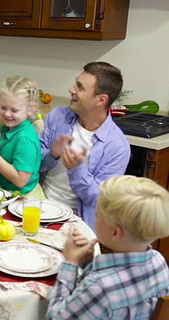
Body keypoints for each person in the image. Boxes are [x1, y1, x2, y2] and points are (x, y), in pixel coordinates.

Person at [44, 175, 169, 320]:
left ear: (115, 232)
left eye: (97, 214)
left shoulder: (101, 287)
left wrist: (70, 264)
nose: (95, 217)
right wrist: (87, 264)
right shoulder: (159, 262)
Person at [39, 61, 130, 230]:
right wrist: (52, 154)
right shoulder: (58, 115)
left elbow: (99, 199)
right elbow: (34, 164)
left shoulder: (117, 146)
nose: (71, 89)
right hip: (39, 206)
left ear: (101, 99)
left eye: (80, 87)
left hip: (78, 223)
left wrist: (76, 169)